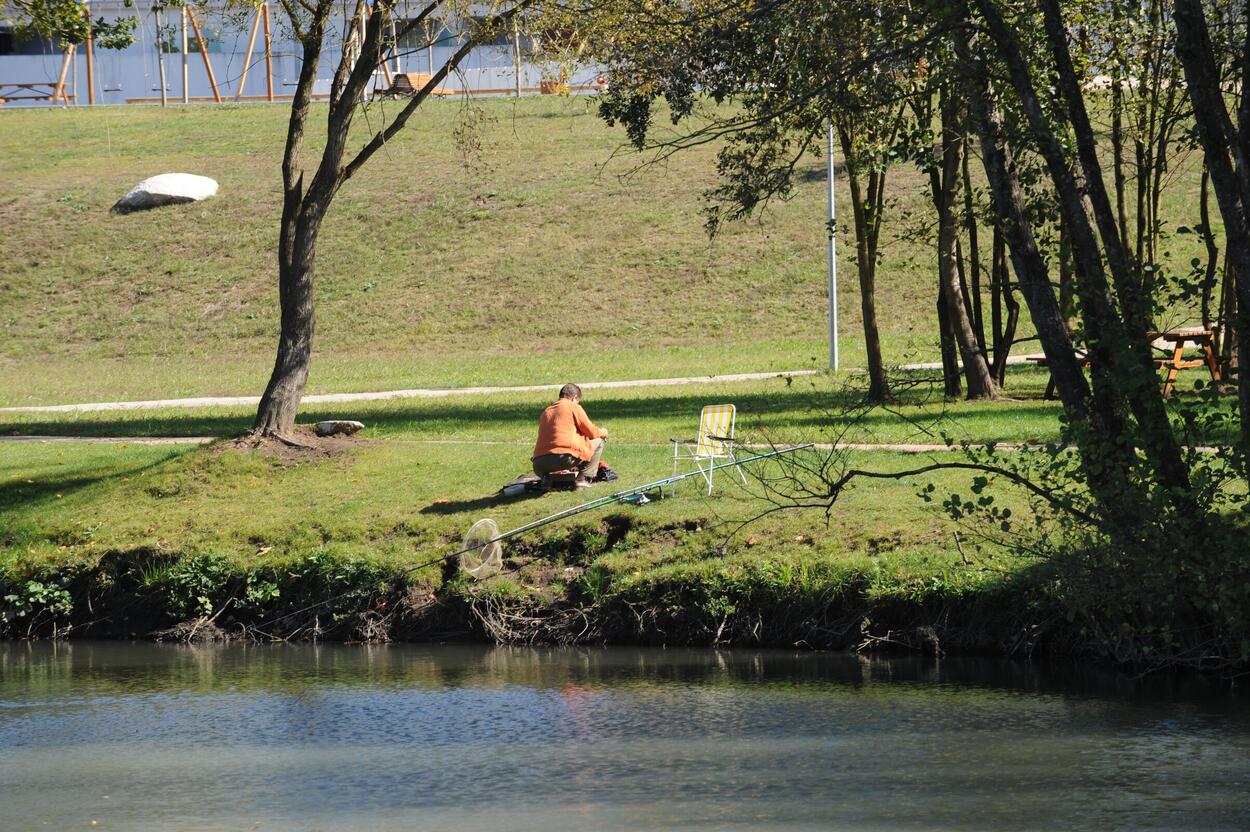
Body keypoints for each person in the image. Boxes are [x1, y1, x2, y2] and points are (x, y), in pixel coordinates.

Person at [532, 383, 608, 489]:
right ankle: (583, 479)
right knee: (599, 440)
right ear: (574, 398)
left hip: (539, 464)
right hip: (563, 458)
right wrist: (604, 432)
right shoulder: (573, 407)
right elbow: (592, 433)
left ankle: (546, 479)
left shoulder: (547, 411)